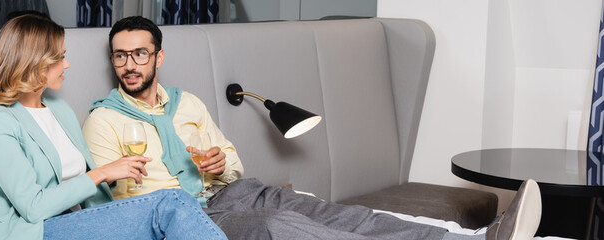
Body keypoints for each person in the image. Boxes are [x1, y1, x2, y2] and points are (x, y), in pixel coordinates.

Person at [82, 16, 542, 240]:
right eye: (120, 56)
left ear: (158, 57)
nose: (129, 65)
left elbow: (233, 163)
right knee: (282, 225)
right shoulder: (104, 120)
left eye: (139, 54)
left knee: (340, 214)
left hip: (232, 192)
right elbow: (125, 203)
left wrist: (220, 165)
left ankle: (478, 238)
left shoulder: (188, 103)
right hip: (190, 217)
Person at [0, 14, 227, 240]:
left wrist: (122, 213)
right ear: (33, 61)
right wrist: (102, 173)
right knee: (173, 201)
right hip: (30, 231)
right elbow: (32, 206)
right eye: (59, 57)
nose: (66, 64)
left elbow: (92, 197)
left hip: (74, 221)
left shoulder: (59, 110)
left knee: (173, 206)